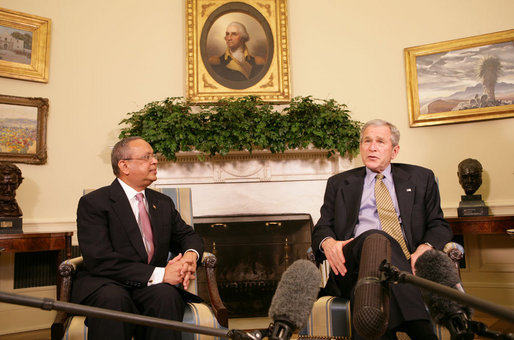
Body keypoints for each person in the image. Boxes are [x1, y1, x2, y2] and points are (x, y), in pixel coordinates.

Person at [311, 119, 452, 339]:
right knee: (376, 237)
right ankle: (421, 331)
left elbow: (438, 224)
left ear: (394, 151)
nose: (372, 147)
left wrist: (425, 247)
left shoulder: (421, 178)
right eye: (367, 141)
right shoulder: (339, 183)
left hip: (404, 263)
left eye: (380, 141)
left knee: (374, 287)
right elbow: (322, 227)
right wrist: (328, 242)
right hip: (351, 263)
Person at [71, 136, 204, 340]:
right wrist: (161, 274)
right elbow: (99, 260)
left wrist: (190, 256)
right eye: (146, 157)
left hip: (149, 287)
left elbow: (188, 236)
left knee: (166, 296)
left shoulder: (163, 203)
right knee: (114, 299)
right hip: (107, 283)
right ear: (124, 165)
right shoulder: (94, 203)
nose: (155, 161)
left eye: (154, 156)